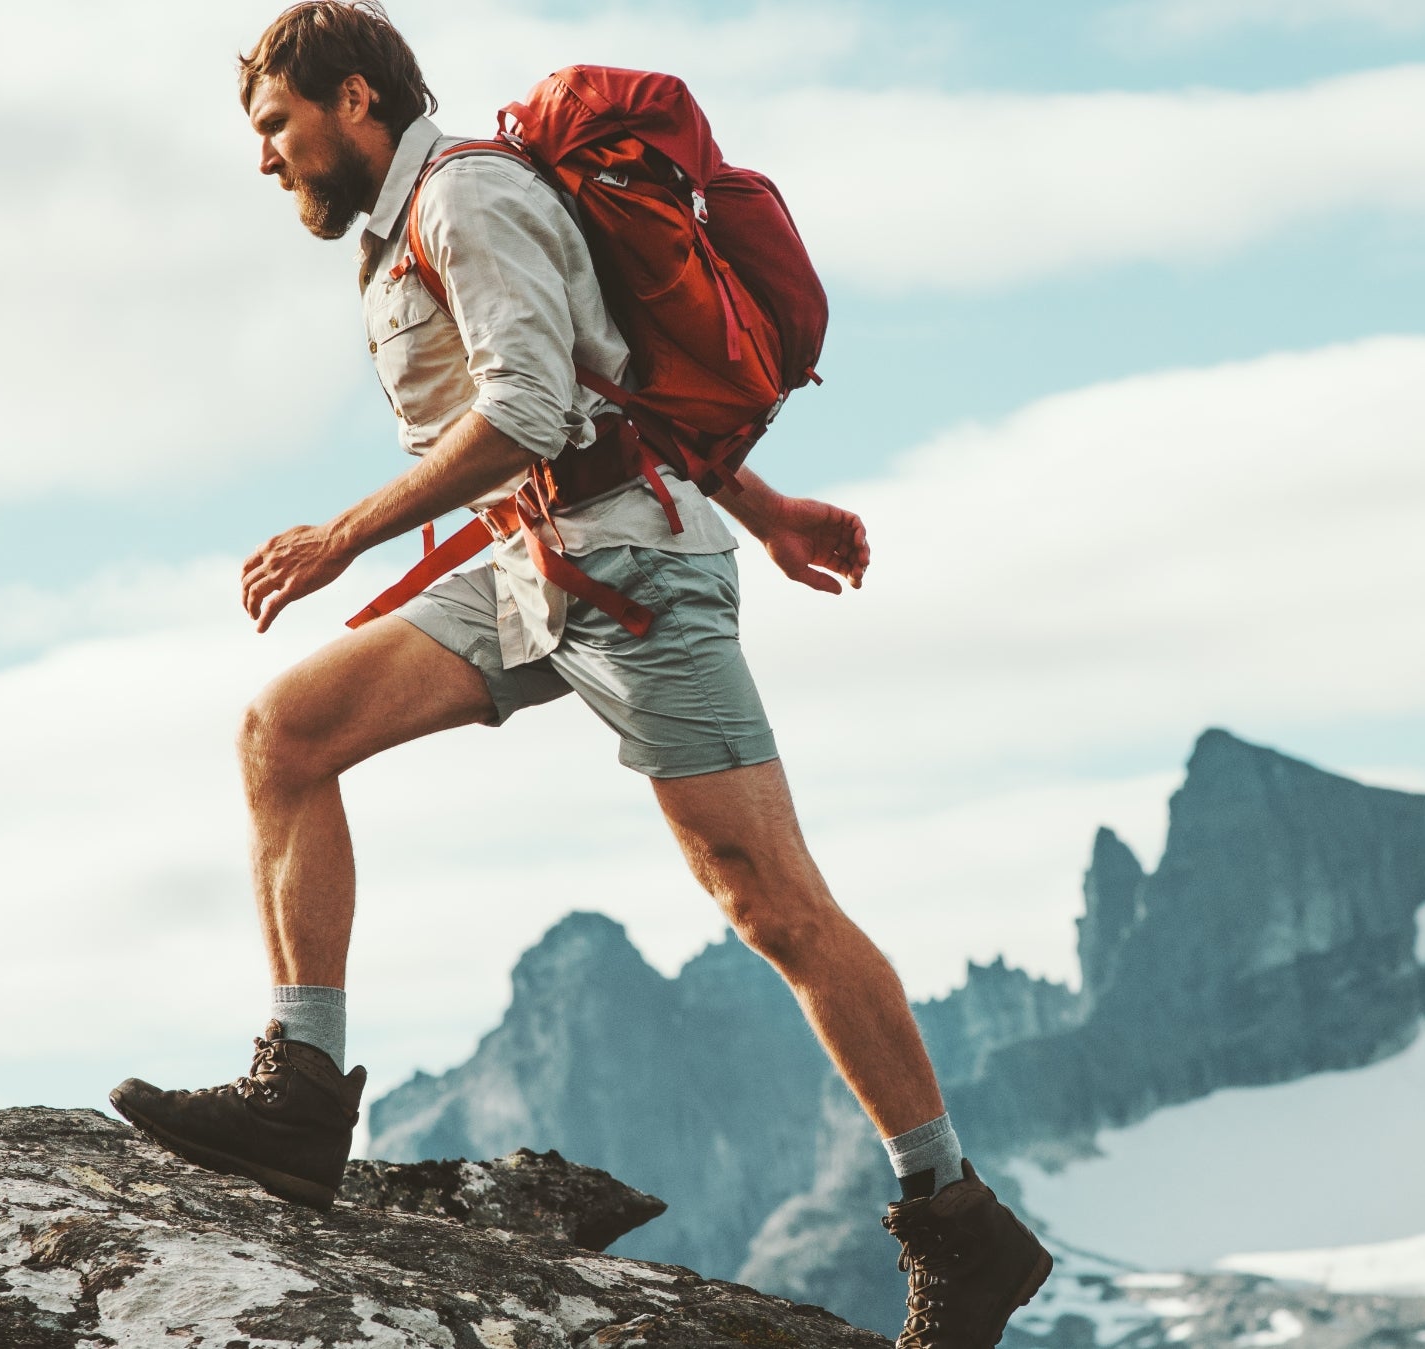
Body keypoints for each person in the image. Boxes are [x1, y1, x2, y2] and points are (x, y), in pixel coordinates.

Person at [107, 4, 1050, 1344]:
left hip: (634, 573)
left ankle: (959, 1221)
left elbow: (537, 410)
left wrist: (340, 537)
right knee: (285, 733)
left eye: (275, 125)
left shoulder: (466, 197)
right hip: (534, 569)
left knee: (772, 903)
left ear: (355, 99)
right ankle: (302, 1091)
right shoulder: (418, 220)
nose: (265, 158)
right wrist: (771, 510)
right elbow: (613, 380)